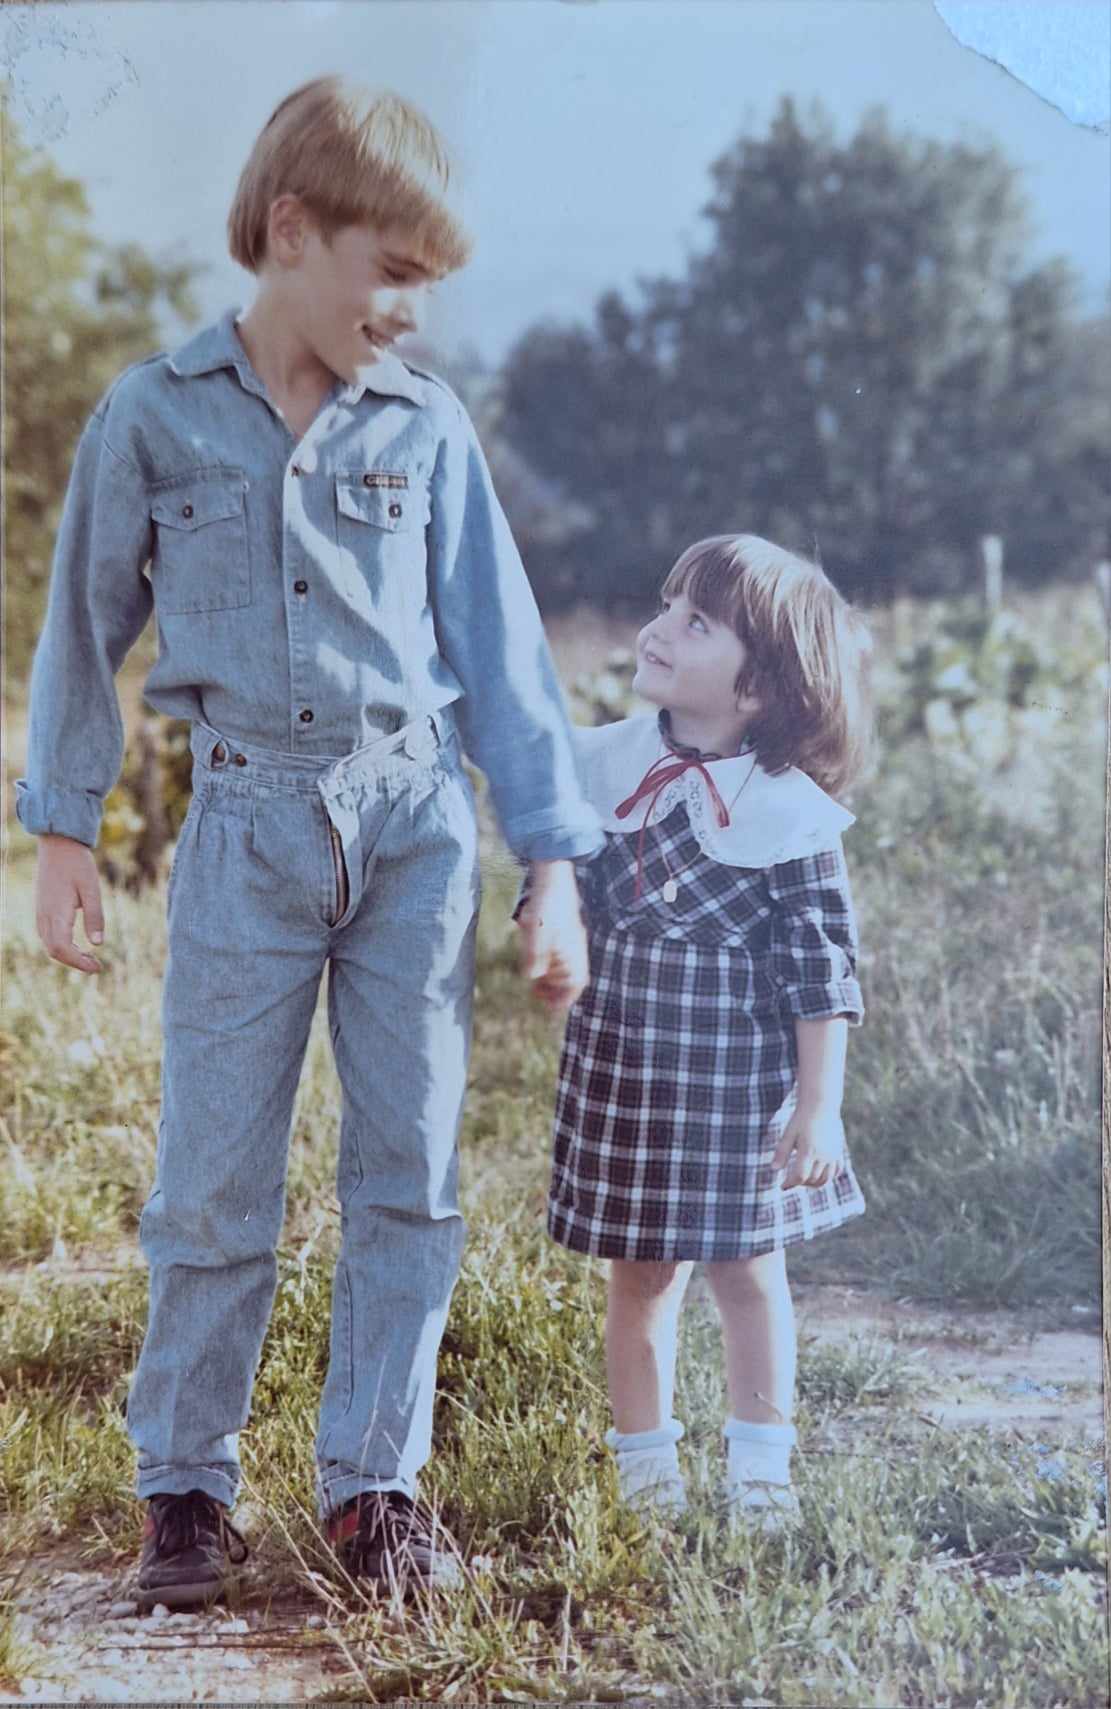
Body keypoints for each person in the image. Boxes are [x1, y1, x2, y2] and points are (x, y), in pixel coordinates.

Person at [15, 76, 601, 1606]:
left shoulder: (427, 425)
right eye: (389, 271)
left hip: (414, 829)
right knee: (214, 1179)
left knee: (408, 1171)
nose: (407, 312)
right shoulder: (151, 416)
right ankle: (183, 1491)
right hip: (243, 830)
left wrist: (551, 865)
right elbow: (82, 630)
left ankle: (374, 1490)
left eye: (426, 284)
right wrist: (62, 830)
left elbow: (502, 656)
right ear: (290, 230)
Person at [521, 533, 872, 1527]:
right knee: (640, 1273)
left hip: (735, 1085)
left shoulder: (788, 813)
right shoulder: (609, 763)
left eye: (697, 621)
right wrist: (549, 924)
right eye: (666, 606)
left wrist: (818, 1107)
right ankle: (647, 1481)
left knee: (747, 1270)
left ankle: (760, 1477)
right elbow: (557, 871)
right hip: (624, 1071)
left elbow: (820, 972)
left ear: (757, 686)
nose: (659, 629)